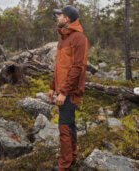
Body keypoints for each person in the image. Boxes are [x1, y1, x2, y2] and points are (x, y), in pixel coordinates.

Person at [48, 5, 89, 171]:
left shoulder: (79, 38)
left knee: (64, 127)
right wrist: (52, 87)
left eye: (60, 15)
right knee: (69, 125)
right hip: (62, 90)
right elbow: (59, 67)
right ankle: (71, 158)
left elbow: (77, 68)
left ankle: (64, 165)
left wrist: (64, 92)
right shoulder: (63, 39)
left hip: (70, 92)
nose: (57, 18)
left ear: (67, 19)